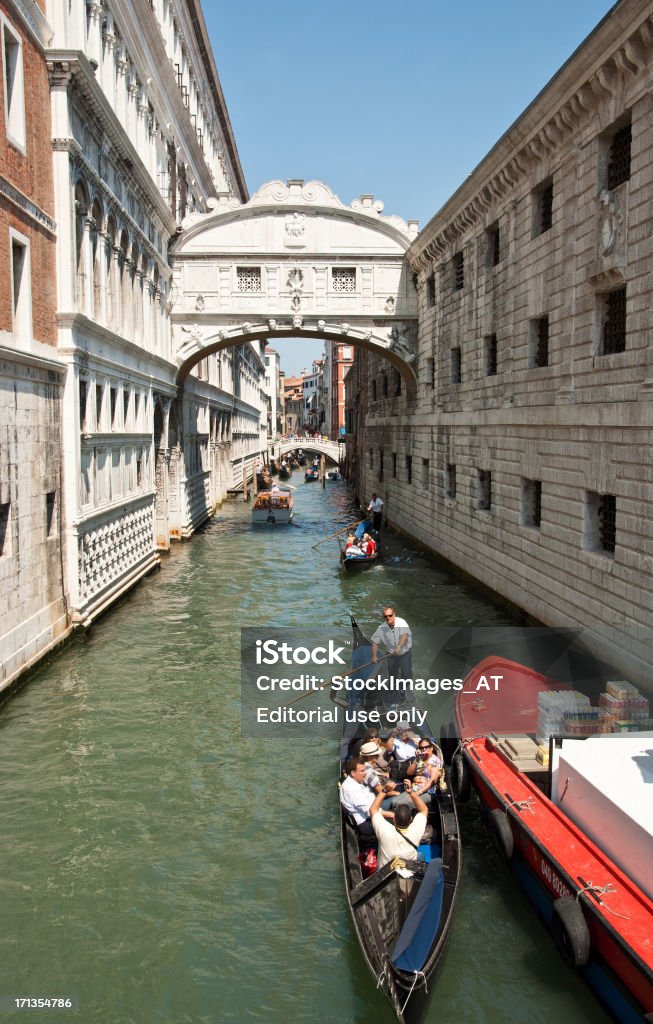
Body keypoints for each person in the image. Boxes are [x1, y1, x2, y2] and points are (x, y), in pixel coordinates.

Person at [369, 788, 429, 868]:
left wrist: (384, 791)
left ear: (394, 819)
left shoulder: (384, 830)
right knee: (420, 855)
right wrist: (411, 793)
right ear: (411, 819)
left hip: (385, 871)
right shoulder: (416, 830)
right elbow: (424, 809)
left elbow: (373, 810)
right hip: (407, 868)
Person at [339, 756, 395, 838]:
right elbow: (371, 812)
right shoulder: (352, 790)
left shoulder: (355, 781)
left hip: (372, 811)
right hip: (366, 823)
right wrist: (393, 815)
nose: (365, 773)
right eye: (362, 771)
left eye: (365, 769)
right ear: (353, 773)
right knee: (401, 820)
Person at [371, 607, 413, 699]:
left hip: (404, 654)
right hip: (391, 655)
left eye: (390, 615)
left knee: (406, 675)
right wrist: (374, 657)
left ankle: (402, 689)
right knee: (392, 675)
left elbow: (404, 636)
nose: (388, 618)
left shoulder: (401, 622)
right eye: (386, 616)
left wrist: (398, 646)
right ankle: (393, 690)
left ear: (394, 614)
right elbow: (375, 643)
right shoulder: (381, 628)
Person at [405, 738, 443, 805]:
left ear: (431, 748)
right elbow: (409, 773)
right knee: (394, 802)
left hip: (427, 791)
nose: (424, 749)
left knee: (402, 803)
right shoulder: (420, 759)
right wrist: (417, 759)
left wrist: (418, 792)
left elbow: (432, 781)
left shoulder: (435, 761)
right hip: (414, 787)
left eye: (427, 747)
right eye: (421, 747)